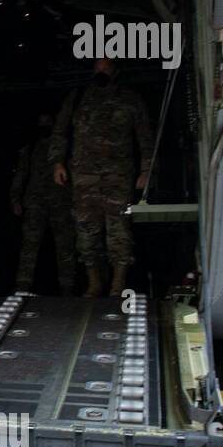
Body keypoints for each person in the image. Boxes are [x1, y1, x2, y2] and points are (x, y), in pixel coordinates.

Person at [49, 58, 153, 297]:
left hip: (118, 177)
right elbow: (60, 132)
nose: (101, 72)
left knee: (119, 231)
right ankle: (94, 282)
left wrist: (146, 170)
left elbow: (145, 136)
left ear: (116, 71)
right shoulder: (77, 98)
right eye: (97, 68)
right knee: (86, 232)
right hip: (84, 179)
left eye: (106, 68)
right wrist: (57, 163)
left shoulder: (130, 99)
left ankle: (118, 284)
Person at [11, 113, 76, 294]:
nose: (44, 125)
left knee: (65, 246)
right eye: (42, 122)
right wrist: (15, 198)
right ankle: (23, 285)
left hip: (60, 200)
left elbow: (74, 173)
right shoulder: (31, 147)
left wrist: (75, 201)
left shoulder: (64, 148)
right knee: (29, 245)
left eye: (48, 121)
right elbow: (21, 173)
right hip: (35, 201)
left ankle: (67, 286)